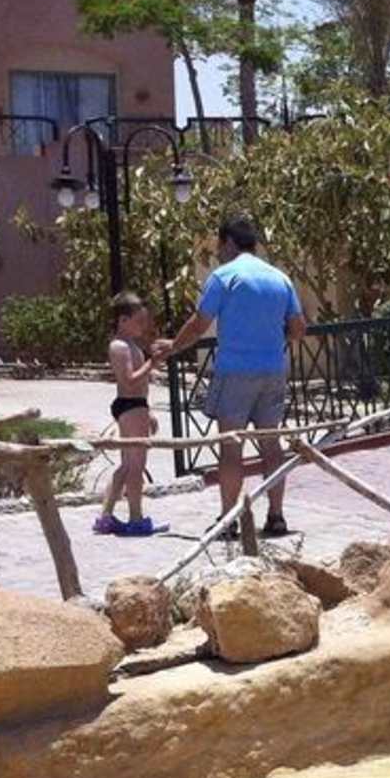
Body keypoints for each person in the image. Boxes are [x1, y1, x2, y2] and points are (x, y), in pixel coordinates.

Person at [160, 216, 307, 539]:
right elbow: (298, 329)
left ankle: (229, 519)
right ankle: (276, 516)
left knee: (230, 447)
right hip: (273, 370)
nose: (217, 251)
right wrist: (271, 338)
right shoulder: (280, 278)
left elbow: (199, 324)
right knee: (271, 444)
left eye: (219, 244)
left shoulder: (224, 277)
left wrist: (173, 346)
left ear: (228, 242)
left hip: (235, 371)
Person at [93, 291, 167, 537]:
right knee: (137, 466)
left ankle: (106, 516)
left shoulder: (131, 345)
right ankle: (136, 518)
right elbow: (129, 381)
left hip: (136, 405)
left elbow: (139, 385)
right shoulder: (119, 346)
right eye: (139, 321)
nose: (143, 326)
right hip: (130, 404)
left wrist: (148, 410)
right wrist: (152, 363)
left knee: (127, 465)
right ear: (123, 320)